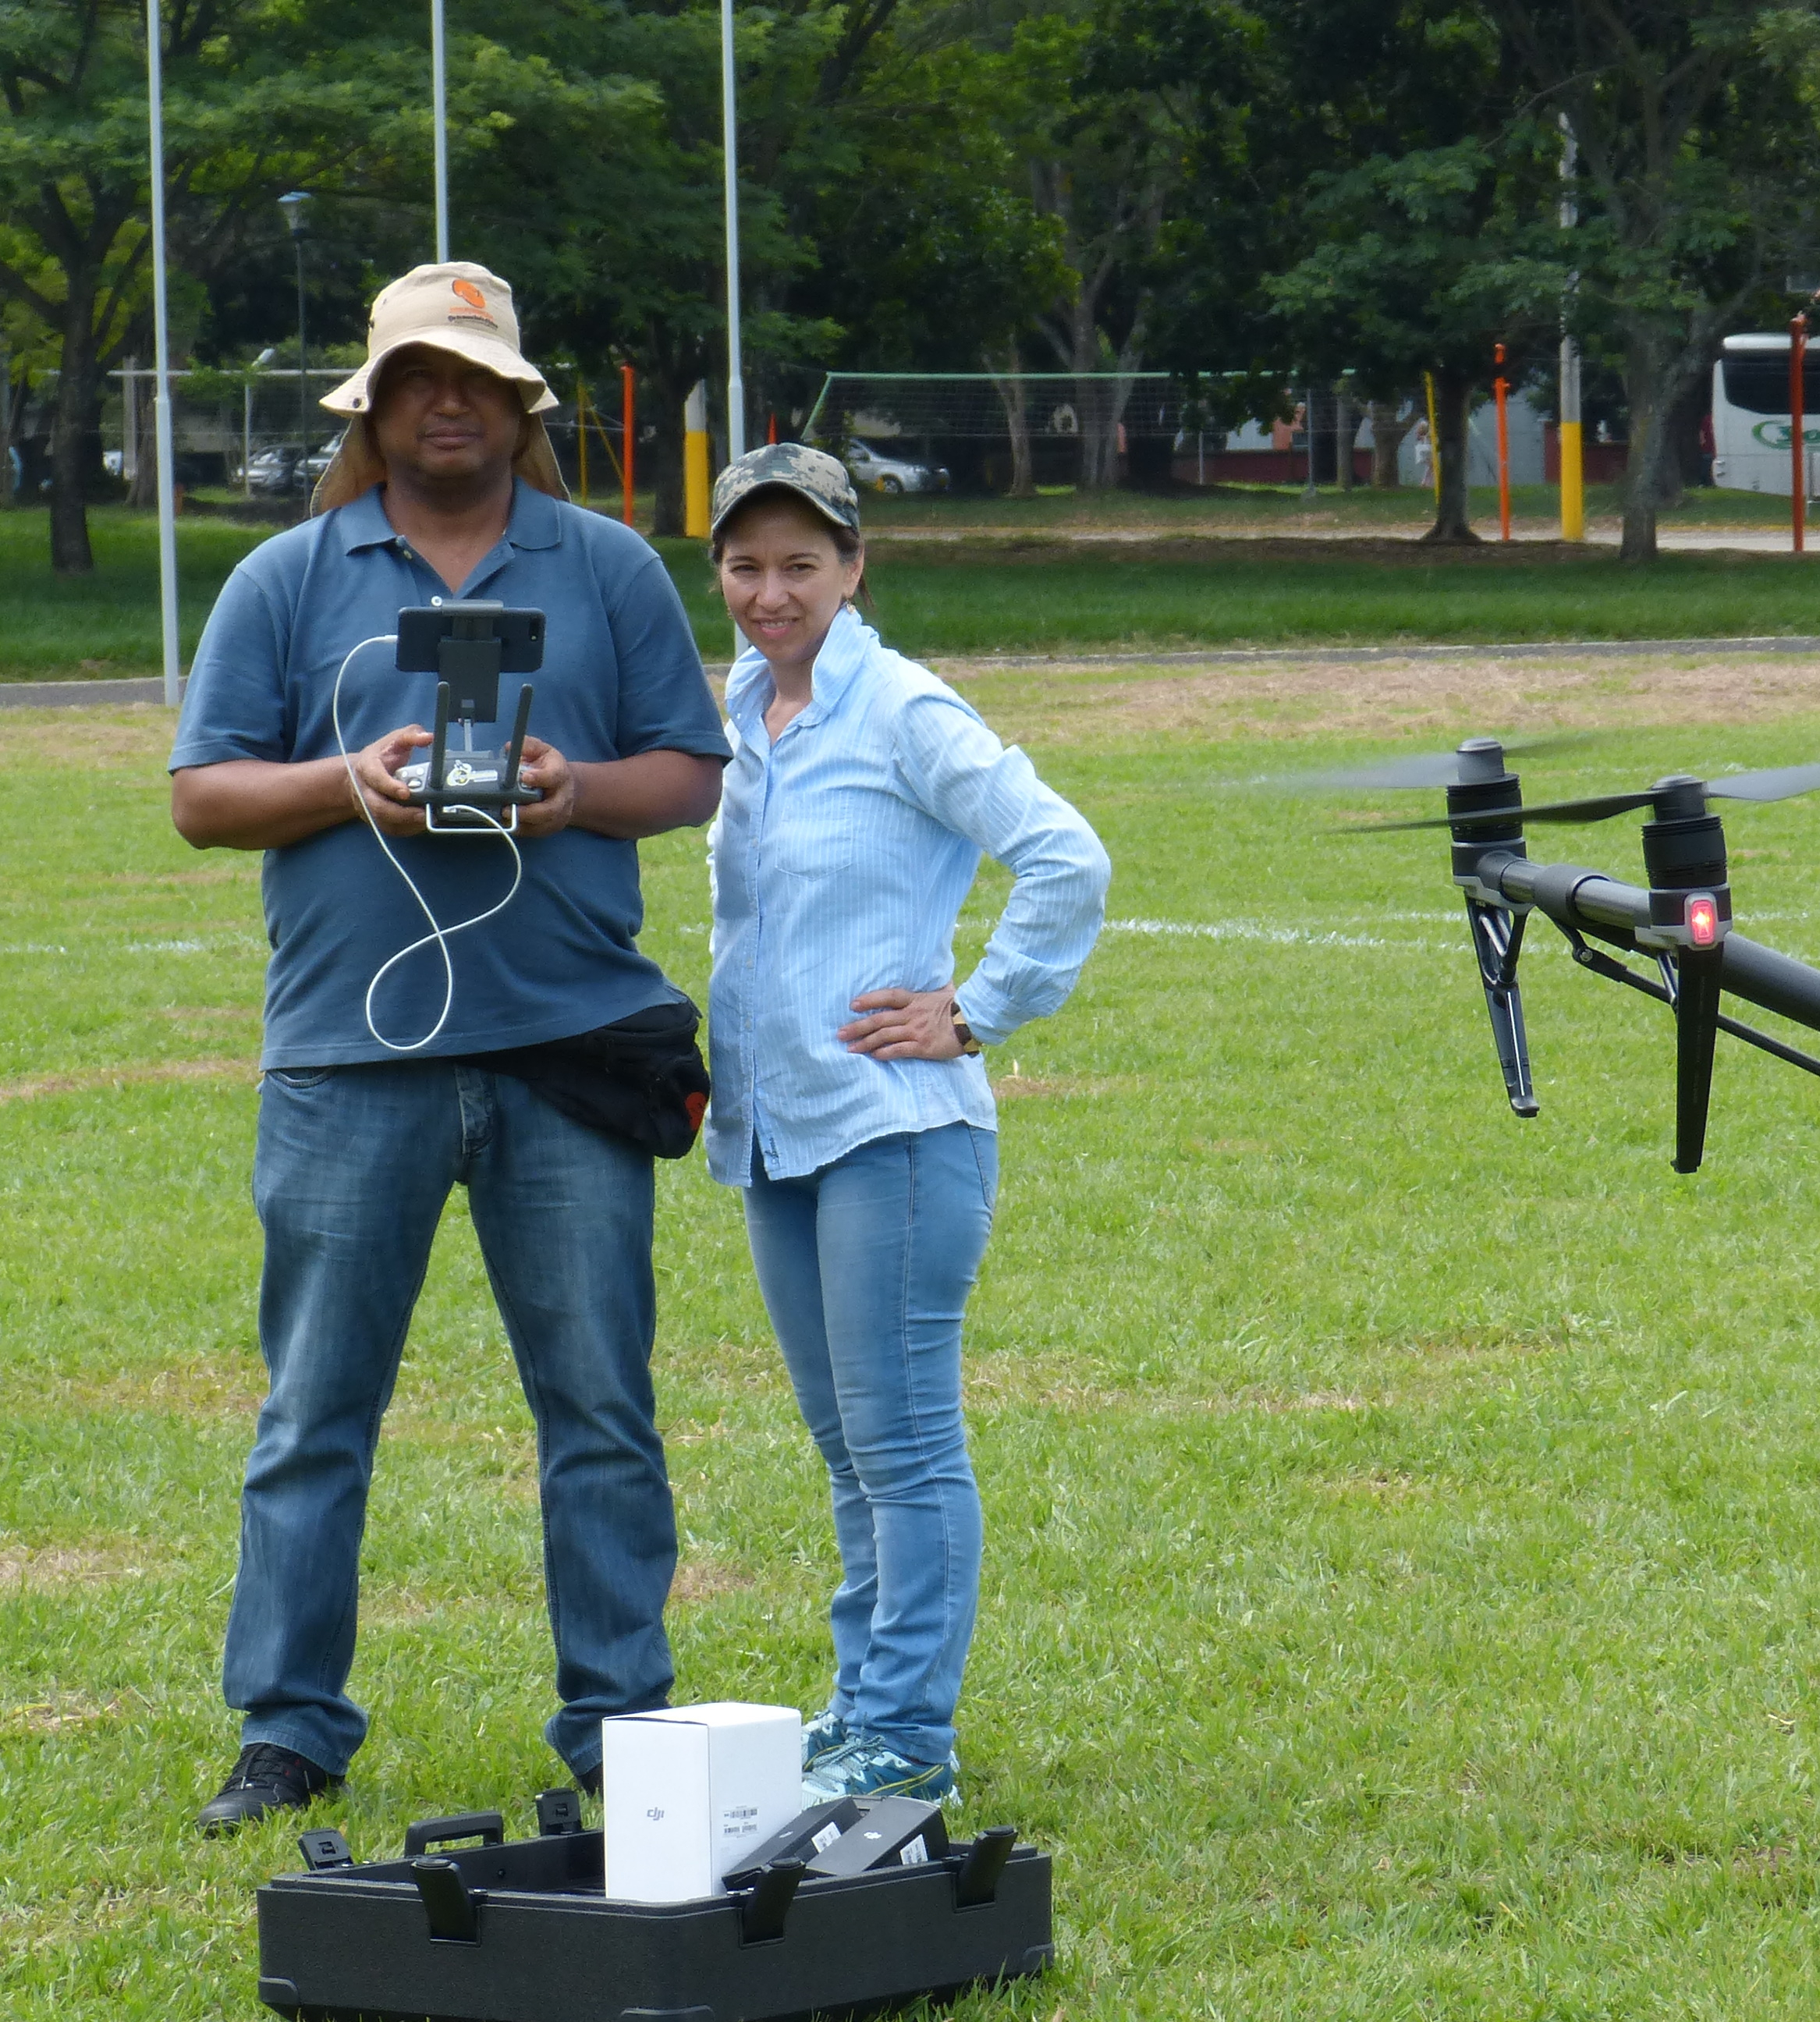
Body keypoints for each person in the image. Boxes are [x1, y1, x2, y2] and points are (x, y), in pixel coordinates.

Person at [166, 261, 731, 1834]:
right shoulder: (286, 580)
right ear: (375, 404)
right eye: (419, 378)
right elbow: (203, 797)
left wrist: (573, 789)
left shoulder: (608, 570)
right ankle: (288, 1727)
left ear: (521, 404)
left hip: (567, 1051)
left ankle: (622, 1726)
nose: (449, 402)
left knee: (600, 1411)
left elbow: (692, 769)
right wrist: (350, 778)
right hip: (351, 1061)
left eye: (476, 379)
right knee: (315, 1412)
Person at [701, 445, 1111, 1804]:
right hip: (781, 1133)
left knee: (905, 1444)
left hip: (898, 1136)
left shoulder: (903, 710)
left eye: (801, 565)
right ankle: (860, 1708)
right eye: (747, 566)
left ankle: (905, 1736)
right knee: (847, 1451)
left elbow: (1064, 853)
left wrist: (977, 1009)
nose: (772, 592)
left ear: (855, 568)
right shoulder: (750, 703)